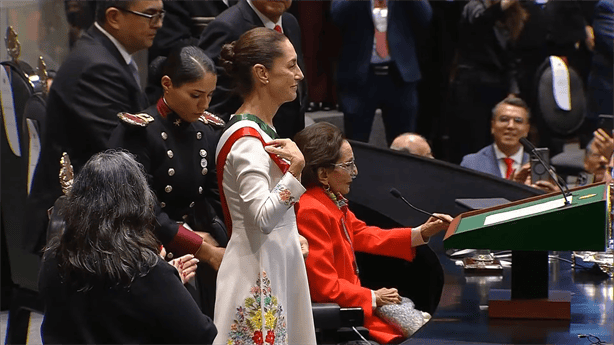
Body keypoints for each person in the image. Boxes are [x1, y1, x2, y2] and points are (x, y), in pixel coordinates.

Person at [294, 122, 453, 344]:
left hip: (355, 308)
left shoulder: (328, 200)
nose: (355, 172)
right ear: (323, 173)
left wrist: (421, 232)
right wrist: (373, 297)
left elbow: (363, 234)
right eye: (348, 165)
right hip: (343, 318)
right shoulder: (310, 210)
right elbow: (323, 288)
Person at [25, 0, 164, 254]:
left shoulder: (104, 55)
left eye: (160, 14)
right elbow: (125, 161)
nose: (159, 23)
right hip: (77, 232)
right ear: (114, 17)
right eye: (150, 15)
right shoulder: (97, 68)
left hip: (99, 215)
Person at [38, 150, 217, 344]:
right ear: (138, 204)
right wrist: (166, 283)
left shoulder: (53, 258)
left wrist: (168, 284)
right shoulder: (146, 269)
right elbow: (202, 334)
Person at [212, 27, 316, 344]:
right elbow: (262, 218)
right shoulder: (246, 140)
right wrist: (296, 170)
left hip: (275, 262)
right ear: (262, 73)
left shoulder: (264, 130)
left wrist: (292, 232)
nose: (299, 74)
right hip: (256, 270)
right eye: (291, 65)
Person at [109, 45, 226, 317]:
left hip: (194, 243)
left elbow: (212, 197)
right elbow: (145, 212)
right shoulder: (138, 133)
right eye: (195, 95)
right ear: (167, 85)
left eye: (209, 96)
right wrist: (202, 248)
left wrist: (214, 238)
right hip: (146, 249)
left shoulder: (205, 130)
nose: (204, 105)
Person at [198, 0, 308, 139]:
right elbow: (215, 104)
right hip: (247, 138)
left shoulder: (290, 22)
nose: (300, 74)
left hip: (285, 138)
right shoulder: (226, 26)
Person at [330, 0, 433, 145]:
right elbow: (337, 15)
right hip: (360, 79)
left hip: (399, 77)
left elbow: (425, 16)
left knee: (404, 146)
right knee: (357, 144)